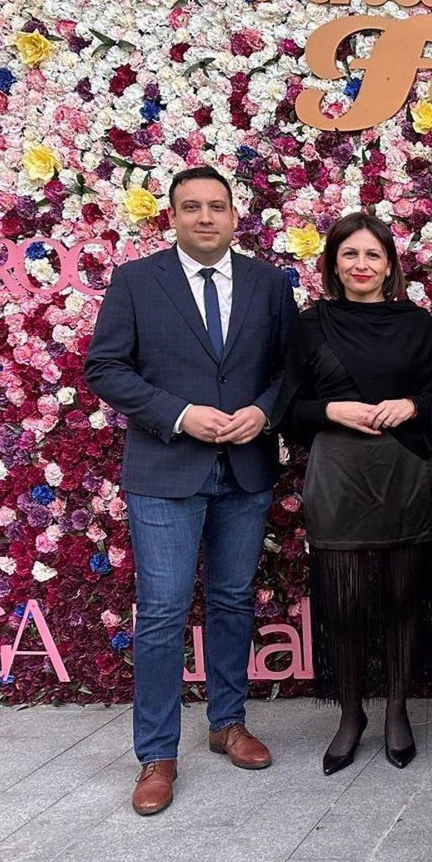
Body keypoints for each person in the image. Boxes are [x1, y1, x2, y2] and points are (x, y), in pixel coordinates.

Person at [83, 165, 298, 815]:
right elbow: (105, 367)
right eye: (191, 208)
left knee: (233, 599)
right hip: (166, 471)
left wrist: (264, 410)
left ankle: (228, 722)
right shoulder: (137, 281)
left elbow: (291, 368)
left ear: (236, 216)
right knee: (165, 611)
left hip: (245, 469)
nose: (205, 217)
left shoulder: (266, 283)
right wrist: (178, 414)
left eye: (217, 207)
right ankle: (156, 754)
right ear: (171, 217)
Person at [275, 215, 432, 775]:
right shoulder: (311, 326)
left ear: (390, 265)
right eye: (350, 254)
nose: (361, 265)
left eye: (372, 255)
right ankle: (351, 714)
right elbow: (285, 409)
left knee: (404, 601)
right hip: (337, 478)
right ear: (333, 263)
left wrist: (413, 406)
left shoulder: (416, 324)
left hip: (402, 475)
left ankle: (398, 711)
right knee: (344, 606)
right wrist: (332, 409)